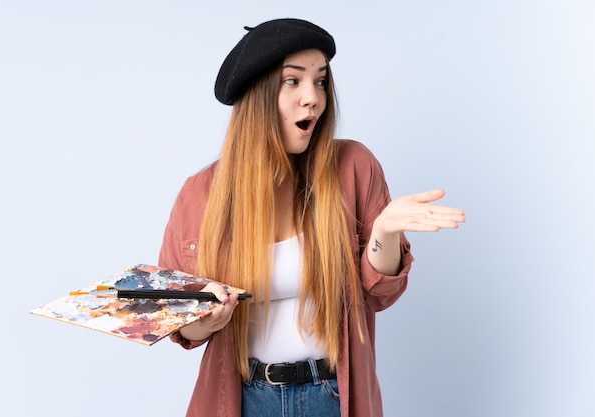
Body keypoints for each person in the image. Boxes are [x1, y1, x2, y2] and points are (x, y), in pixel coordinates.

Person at [158, 18, 465, 417]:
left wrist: (386, 230)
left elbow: (380, 293)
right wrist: (211, 320)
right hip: (244, 399)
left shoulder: (353, 166)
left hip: (333, 396)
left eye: (320, 81)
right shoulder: (201, 195)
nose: (313, 98)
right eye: (293, 81)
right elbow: (180, 327)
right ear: (257, 94)